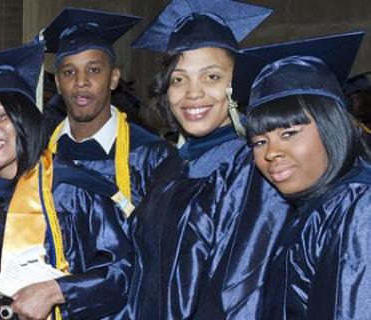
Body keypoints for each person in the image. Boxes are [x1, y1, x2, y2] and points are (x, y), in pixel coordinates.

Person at [123, 1, 290, 318]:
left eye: (211, 76)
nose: (192, 93)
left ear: (236, 85)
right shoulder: (169, 166)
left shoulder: (251, 167)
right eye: (178, 79)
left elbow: (242, 294)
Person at [0, 43, 133, 320]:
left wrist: (56, 291)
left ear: (24, 118)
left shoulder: (71, 188)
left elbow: (122, 272)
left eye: (0, 115)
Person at [239, 31, 371, 319]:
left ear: (331, 126)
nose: (271, 152)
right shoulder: (320, 206)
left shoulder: (359, 207)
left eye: (289, 133)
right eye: (259, 141)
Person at [42, 7, 176, 210]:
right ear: (58, 84)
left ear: (114, 78)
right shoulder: (40, 157)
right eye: (69, 72)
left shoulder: (151, 156)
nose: (81, 81)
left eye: (94, 70)